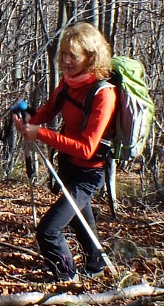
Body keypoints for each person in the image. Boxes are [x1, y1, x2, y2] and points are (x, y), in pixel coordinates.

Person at [13, 23, 116, 282]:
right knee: (80, 220)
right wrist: (29, 121)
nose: (67, 61)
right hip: (68, 167)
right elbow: (50, 109)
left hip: (88, 174)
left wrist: (40, 133)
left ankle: (66, 277)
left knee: (48, 231)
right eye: (63, 55)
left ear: (90, 58)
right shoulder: (69, 83)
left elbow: (86, 147)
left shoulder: (104, 95)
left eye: (74, 56)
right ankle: (96, 265)